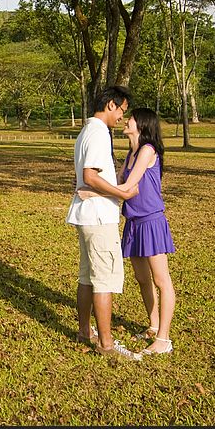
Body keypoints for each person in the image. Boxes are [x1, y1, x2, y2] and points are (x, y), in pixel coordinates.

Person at [79, 107, 176, 356]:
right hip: (133, 222)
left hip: (151, 222)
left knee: (161, 281)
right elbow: (116, 183)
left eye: (130, 118)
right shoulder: (131, 153)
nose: (125, 120)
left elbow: (128, 187)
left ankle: (164, 339)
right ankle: (153, 326)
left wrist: (93, 192)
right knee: (143, 280)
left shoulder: (147, 150)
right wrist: (96, 186)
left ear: (141, 125)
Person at [66, 86, 142, 362]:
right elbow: (90, 175)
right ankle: (106, 344)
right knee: (103, 280)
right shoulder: (98, 133)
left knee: (87, 276)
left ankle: (86, 332)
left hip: (88, 215)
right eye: (122, 110)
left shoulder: (88, 130)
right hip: (99, 218)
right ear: (111, 105)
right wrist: (122, 192)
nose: (122, 117)